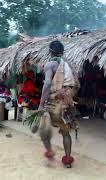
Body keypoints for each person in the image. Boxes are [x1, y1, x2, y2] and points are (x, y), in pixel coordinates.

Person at [36, 40, 79, 168]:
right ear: (62, 52)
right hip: (67, 101)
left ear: (50, 51)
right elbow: (76, 84)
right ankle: (67, 160)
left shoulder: (50, 64)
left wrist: (41, 104)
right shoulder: (68, 65)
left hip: (54, 102)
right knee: (65, 132)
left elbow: (48, 83)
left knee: (43, 128)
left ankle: (49, 152)